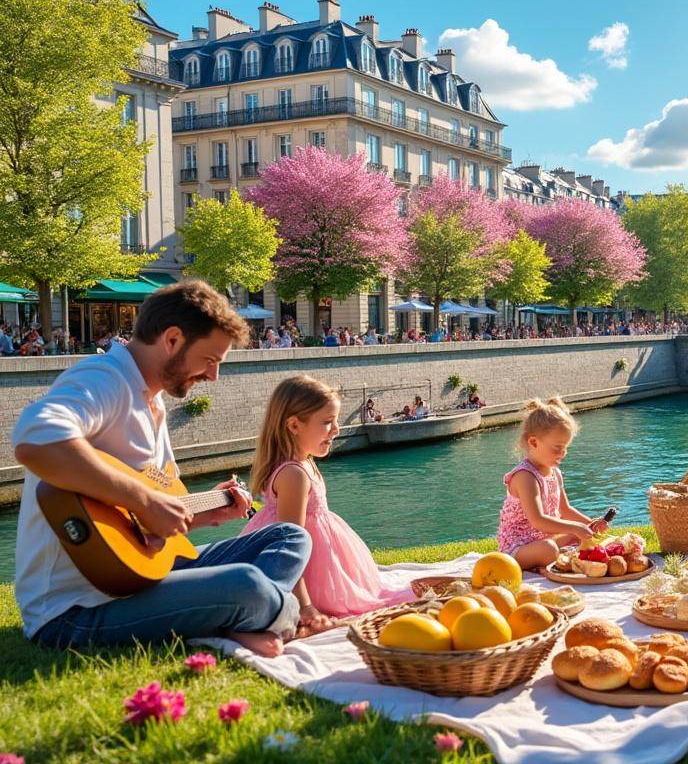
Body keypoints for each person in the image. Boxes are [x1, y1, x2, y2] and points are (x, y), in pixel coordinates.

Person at [12, 281, 308, 656]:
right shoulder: (103, 379)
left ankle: (243, 616)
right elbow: (36, 438)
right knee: (246, 584)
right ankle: (277, 614)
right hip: (75, 611)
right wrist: (143, 500)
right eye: (210, 360)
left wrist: (209, 512)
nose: (213, 376)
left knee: (288, 537)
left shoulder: (153, 402)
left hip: (141, 578)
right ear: (172, 340)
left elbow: (150, 521)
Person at [242, 376, 413, 620]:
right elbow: (289, 547)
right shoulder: (293, 474)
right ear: (294, 426)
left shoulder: (305, 462)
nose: (336, 429)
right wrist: (305, 606)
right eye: (327, 422)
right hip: (307, 571)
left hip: (320, 558)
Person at [496, 397, 609, 569]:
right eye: (557, 448)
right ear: (533, 442)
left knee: (582, 537)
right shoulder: (525, 477)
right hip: (517, 549)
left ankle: (556, 561)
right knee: (549, 549)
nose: (563, 453)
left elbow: (565, 510)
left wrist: (589, 525)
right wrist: (575, 527)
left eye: (566, 448)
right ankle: (550, 562)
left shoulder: (555, 472)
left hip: (544, 540)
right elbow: (538, 520)